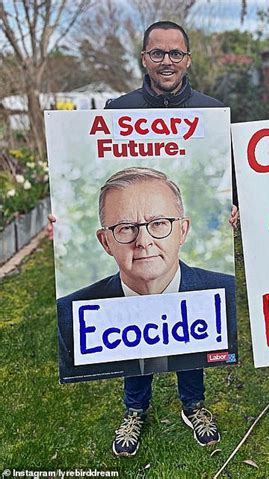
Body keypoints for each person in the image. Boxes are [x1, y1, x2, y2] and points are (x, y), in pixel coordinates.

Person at [51, 20, 238, 458]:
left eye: (175, 53)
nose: (167, 61)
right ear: (144, 58)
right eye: (158, 53)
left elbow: (226, 175)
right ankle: (135, 407)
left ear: (188, 59)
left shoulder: (211, 112)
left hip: (166, 236)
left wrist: (231, 207)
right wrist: (58, 214)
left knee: (192, 321)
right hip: (134, 241)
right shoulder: (117, 111)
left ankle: (194, 403)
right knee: (133, 322)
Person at [57, 167, 237, 457]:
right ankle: (135, 409)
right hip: (119, 316)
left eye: (159, 223)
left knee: (192, 346)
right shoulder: (71, 313)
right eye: (126, 228)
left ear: (182, 230)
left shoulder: (223, 292)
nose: (143, 242)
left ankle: (193, 405)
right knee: (133, 347)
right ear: (105, 242)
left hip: (195, 314)